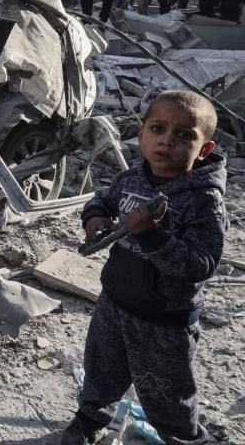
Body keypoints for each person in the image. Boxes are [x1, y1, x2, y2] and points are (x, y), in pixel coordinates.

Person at [60, 90, 225, 445]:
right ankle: (89, 421)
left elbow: (201, 265)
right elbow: (104, 197)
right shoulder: (133, 178)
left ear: (204, 149)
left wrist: (150, 236)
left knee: (165, 394)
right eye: (158, 128)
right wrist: (95, 217)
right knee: (101, 371)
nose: (167, 140)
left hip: (163, 320)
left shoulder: (203, 201)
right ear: (141, 134)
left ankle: (186, 439)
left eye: (184, 135)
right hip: (115, 302)